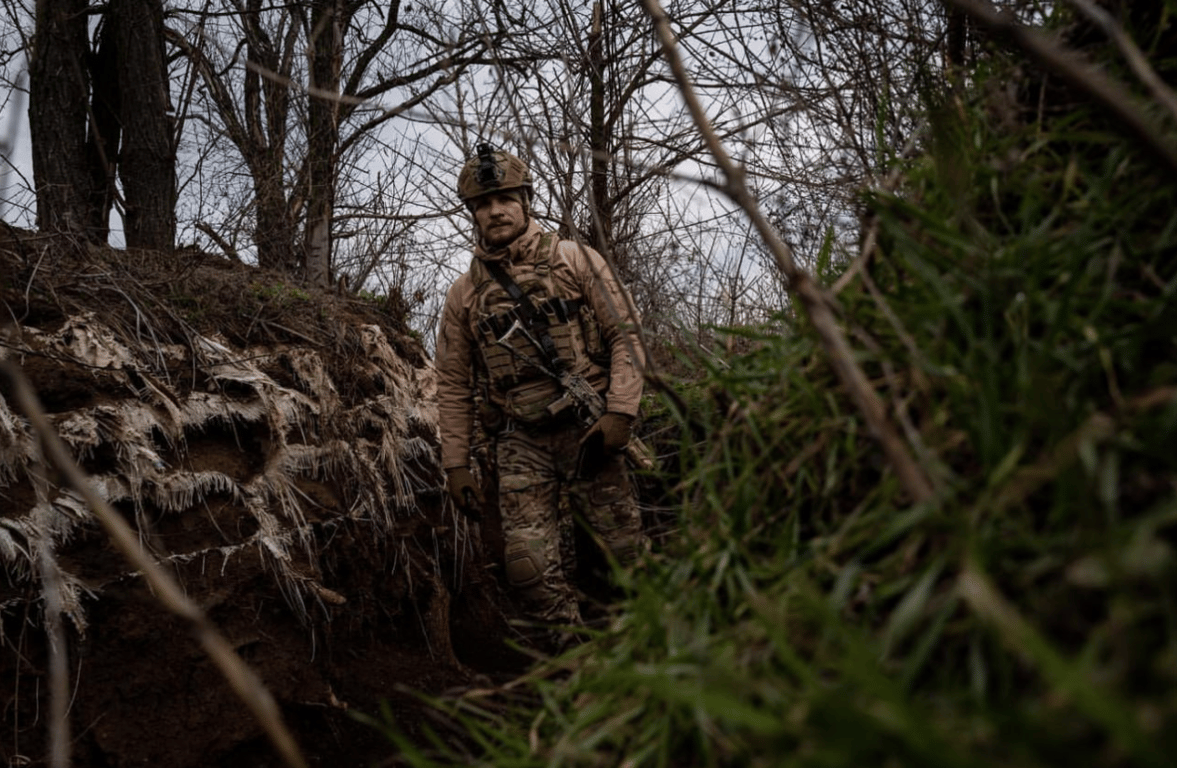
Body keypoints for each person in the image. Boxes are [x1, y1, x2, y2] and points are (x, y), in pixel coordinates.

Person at [435, 143, 646, 634]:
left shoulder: (575, 259)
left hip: (589, 428)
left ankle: (645, 648)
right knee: (526, 568)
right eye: (483, 204)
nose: (495, 211)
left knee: (624, 554)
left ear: (526, 201)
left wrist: (619, 412)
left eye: (505, 199)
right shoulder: (464, 294)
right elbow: (452, 383)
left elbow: (626, 334)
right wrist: (455, 464)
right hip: (520, 440)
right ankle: (574, 657)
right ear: (472, 214)